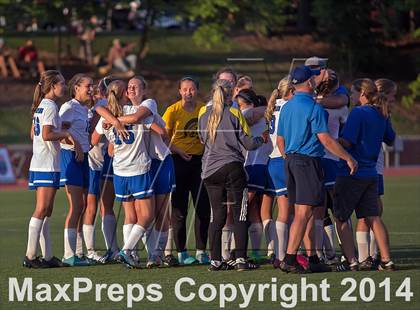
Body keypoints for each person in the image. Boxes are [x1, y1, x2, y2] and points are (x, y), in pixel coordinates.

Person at [277, 65, 357, 273]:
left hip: (291, 161)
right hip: (307, 162)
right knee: (304, 213)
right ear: (310, 82)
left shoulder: (287, 106)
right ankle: (290, 258)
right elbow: (325, 140)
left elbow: (280, 141)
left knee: (304, 212)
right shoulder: (314, 108)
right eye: (313, 79)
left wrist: (290, 158)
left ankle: (312, 258)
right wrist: (348, 157)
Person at [199, 79, 267, 271]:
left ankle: (215, 260)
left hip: (209, 170)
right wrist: (261, 139)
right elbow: (248, 144)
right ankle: (241, 260)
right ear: (230, 96)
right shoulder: (235, 112)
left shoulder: (203, 113)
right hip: (232, 167)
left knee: (217, 216)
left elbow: (202, 139)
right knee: (240, 214)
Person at [113, 76, 175, 268]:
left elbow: (161, 132)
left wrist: (114, 121)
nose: (131, 89)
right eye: (129, 87)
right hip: (142, 164)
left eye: (136, 87)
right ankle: (140, 254)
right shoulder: (124, 110)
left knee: (160, 212)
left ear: (144, 90)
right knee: (142, 213)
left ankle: (156, 254)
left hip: (160, 162)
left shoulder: (149, 104)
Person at [92, 80, 154, 269]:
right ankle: (126, 250)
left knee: (129, 216)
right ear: (125, 95)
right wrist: (116, 121)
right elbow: (137, 119)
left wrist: (111, 122)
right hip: (138, 168)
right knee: (147, 215)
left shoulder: (106, 118)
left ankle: (131, 257)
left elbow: (93, 140)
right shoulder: (135, 110)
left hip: (119, 171)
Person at [336, 78, 396, 271]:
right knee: (373, 217)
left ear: (362, 93)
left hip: (353, 171)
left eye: (353, 93)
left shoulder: (358, 112)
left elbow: (348, 141)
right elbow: (391, 138)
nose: (351, 96)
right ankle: (386, 260)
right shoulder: (381, 112)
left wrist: (329, 140)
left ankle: (352, 261)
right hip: (372, 172)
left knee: (342, 217)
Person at [24, 70, 81, 268]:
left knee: (47, 210)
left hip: (44, 162)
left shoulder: (42, 106)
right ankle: (30, 256)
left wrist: (60, 134)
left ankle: (47, 257)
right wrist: (68, 135)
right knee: (42, 209)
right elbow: (47, 134)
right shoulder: (49, 106)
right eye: (62, 83)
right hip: (45, 164)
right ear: (52, 86)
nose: (64, 87)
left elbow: (34, 134)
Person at [162, 76, 211, 265]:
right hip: (178, 161)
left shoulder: (203, 109)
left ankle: (201, 251)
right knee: (179, 209)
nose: (188, 92)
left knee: (202, 208)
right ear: (179, 91)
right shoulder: (172, 110)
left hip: (199, 163)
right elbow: (164, 138)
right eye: (184, 89)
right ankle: (182, 253)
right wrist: (179, 151)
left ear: (196, 90)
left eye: (191, 89)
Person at [82, 76, 119, 263]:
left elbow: (93, 137)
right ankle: (96, 249)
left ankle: (97, 249)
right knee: (98, 206)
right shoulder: (89, 107)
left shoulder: (102, 105)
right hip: (95, 160)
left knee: (97, 206)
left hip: (100, 159)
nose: (94, 92)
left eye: (96, 90)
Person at [60, 74, 94, 266]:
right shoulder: (69, 108)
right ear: (76, 88)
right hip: (71, 157)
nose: (91, 89)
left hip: (84, 158)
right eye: (88, 86)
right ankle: (68, 254)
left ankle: (79, 253)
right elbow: (60, 134)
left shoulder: (83, 109)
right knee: (76, 207)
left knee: (82, 206)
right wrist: (77, 146)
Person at [261, 76, 294, 268]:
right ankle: (284, 256)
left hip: (273, 161)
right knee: (288, 212)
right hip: (284, 160)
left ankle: (282, 255)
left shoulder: (275, 108)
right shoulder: (289, 108)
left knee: (285, 211)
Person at [236, 88, 271, 263]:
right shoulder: (262, 112)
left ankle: (235, 251)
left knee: (241, 209)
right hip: (261, 163)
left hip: (254, 165)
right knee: (256, 210)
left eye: (240, 104)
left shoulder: (251, 112)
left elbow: (252, 113)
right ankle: (262, 251)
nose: (237, 107)